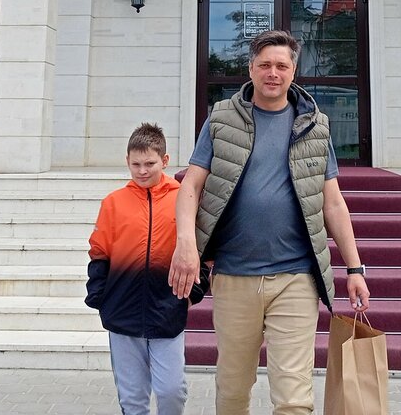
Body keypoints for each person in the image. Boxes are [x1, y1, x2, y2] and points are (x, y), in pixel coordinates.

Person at [169, 29, 371, 415]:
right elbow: (191, 186)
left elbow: (333, 204)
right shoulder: (221, 118)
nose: (273, 73)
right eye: (264, 65)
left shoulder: (316, 125)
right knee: (232, 390)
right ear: (251, 69)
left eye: (281, 65)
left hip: (296, 277)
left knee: (294, 398)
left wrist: (355, 268)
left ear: (294, 71)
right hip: (234, 275)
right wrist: (186, 244)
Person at [87, 122, 204, 415]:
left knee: (171, 391)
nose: (142, 171)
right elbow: (99, 252)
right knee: (132, 398)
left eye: (150, 164)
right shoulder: (113, 203)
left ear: (165, 160)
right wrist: (100, 298)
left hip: (168, 310)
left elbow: (201, 248)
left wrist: (195, 291)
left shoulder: (183, 199)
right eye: (136, 164)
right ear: (127, 161)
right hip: (122, 311)